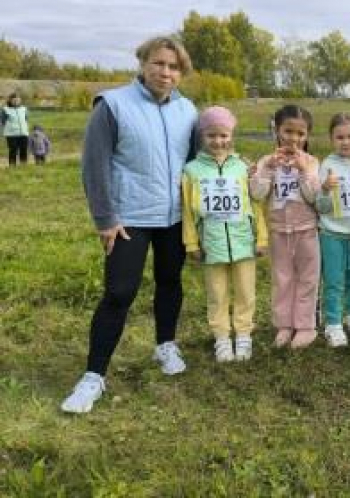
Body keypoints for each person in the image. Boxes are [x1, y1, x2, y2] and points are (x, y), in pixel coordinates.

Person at [61, 36, 197, 414]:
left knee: (170, 281)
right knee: (119, 293)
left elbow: (198, 163)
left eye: (173, 67)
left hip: (174, 217)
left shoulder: (187, 110)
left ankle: (165, 345)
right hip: (128, 219)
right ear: (142, 63)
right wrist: (105, 218)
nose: (165, 72)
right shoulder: (112, 105)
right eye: (158, 63)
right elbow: (94, 165)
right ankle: (93, 376)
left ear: (181, 72)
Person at [182, 106, 268, 363]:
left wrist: (262, 237)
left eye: (223, 135)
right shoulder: (192, 171)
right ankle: (221, 337)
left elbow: (255, 204)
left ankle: (243, 334)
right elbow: (187, 211)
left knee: (246, 292)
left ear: (231, 135)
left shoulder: (243, 168)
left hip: (244, 242)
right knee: (216, 294)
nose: (218, 141)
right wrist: (191, 243)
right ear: (202, 136)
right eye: (211, 135)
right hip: (212, 244)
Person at [249, 105, 321, 350]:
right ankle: (284, 325)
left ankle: (306, 326)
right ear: (277, 131)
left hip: (306, 230)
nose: (294, 138)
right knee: (282, 279)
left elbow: (313, 197)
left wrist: (304, 172)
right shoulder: (267, 161)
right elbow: (257, 194)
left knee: (308, 279)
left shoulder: (312, 162)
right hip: (279, 231)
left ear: (307, 135)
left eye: (300, 133)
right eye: (288, 131)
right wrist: (267, 169)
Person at [316, 112, 350, 348]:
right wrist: (325, 189)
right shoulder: (327, 165)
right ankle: (333, 323)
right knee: (334, 279)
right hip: (332, 234)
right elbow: (320, 206)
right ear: (331, 139)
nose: (346, 142)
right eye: (340, 137)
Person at [2, 91, 29, 166]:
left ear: (20, 100)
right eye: (14, 100)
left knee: (23, 150)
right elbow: (3, 121)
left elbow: (26, 119)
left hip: (23, 133)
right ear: (10, 100)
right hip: (11, 134)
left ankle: (23, 165)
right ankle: (12, 166)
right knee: (13, 150)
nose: (16, 101)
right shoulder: (5, 109)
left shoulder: (24, 109)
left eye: (18, 100)